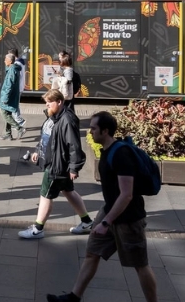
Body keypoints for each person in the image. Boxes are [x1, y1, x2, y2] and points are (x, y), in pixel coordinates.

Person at [47, 111, 157, 302]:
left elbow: (127, 195)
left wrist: (106, 222)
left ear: (105, 131)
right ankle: (74, 297)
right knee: (92, 252)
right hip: (109, 212)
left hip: (128, 219)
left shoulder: (121, 155)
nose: (90, 132)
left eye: (93, 128)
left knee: (140, 264)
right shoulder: (107, 151)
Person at [19, 90, 93, 239]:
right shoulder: (53, 117)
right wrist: (37, 151)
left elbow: (74, 145)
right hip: (56, 163)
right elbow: (46, 137)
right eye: (46, 102)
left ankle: (38, 229)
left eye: (49, 102)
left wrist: (74, 167)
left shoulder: (67, 119)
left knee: (45, 195)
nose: (47, 105)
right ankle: (87, 222)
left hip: (57, 166)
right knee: (68, 191)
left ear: (59, 102)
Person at [0, 53, 27, 140]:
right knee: (8, 113)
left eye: (5, 59)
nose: (4, 61)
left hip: (8, 96)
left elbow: (9, 85)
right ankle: (8, 133)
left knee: (4, 114)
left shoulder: (12, 70)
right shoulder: (13, 68)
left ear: (10, 61)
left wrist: (5, 98)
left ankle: (19, 128)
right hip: (11, 95)